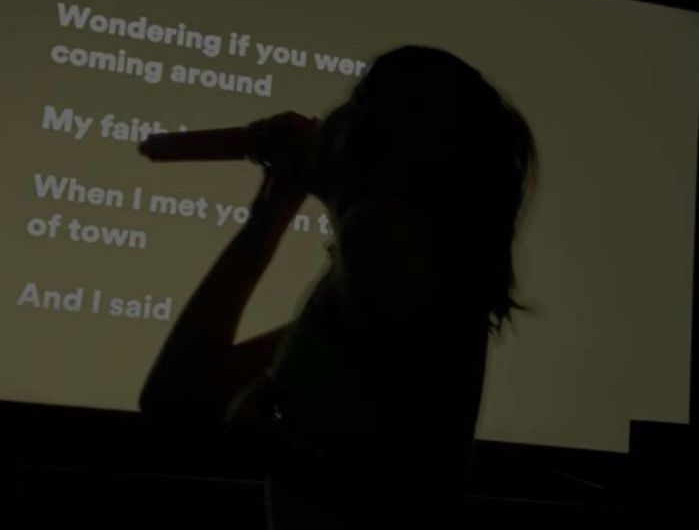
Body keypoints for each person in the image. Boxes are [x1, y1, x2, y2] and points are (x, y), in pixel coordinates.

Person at [139, 45, 539, 528]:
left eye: (355, 102)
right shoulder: (385, 273)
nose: (329, 118)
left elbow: (411, 498)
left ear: (386, 140)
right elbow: (179, 393)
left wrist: (270, 447)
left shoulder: (384, 236)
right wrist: (271, 209)